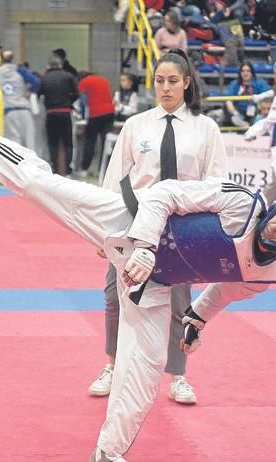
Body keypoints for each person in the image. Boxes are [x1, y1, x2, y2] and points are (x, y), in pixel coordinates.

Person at [0, 110, 276, 462]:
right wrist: (142, 245)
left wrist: (196, 320)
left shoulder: (264, 274)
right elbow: (165, 194)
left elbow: (223, 292)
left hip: (154, 285)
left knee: (146, 368)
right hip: (128, 219)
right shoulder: (241, 204)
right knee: (38, 185)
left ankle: (108, 452)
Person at [88, 50, 228, 405]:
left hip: (183, 225)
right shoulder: (137, 125)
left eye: (172, 81)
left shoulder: (205, 128)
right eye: (159, 81)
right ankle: (112, 365)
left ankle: (178, 375)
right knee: (114, 296)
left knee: (180, 301)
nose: (165, 88)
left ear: (186, 83)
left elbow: (217, 182)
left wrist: (211, 230)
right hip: (134, 222)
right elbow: (115, 177)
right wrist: (103, 230)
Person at [39, 56, 80, 175]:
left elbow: (39, 95)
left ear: (48, 66)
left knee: (53, 142)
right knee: (68, 142)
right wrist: (69, 102)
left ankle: (54, 169)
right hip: (66, 112)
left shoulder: (44, 78)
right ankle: (68, 170)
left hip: (50, 113)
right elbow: (76, 94)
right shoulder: (68, 76)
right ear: (61, 65)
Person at [0, 50, 40, 149]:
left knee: (14, 142)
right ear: (12, 59)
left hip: (9, 111)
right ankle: (31, 164)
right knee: (29, 141)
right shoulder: (20, 70)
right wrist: (29, 92)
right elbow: (36, 82)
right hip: (23, 109)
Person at [77, 70, 115, 177]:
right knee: (105, 142)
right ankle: (102, 170)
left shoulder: (83, 82)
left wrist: (84, 115)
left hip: (95, 113)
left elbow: (83, 101)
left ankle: (84, 169)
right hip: (110, 113)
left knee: (90, 141)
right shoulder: (104, 80)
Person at [224, 61, 270, 128]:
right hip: (239, 112)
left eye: (248, 71)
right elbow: (228, 101)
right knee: (231, 115)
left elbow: (269, 94)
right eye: (243, 71)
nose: (245, 73)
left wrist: (257, 98)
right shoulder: (234, 84)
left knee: (259, 117)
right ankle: (243, 125)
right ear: (240, 73)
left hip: (255, 112)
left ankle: (250, 125)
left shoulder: (259, 82)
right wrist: (235, 113)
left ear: (252, 72)